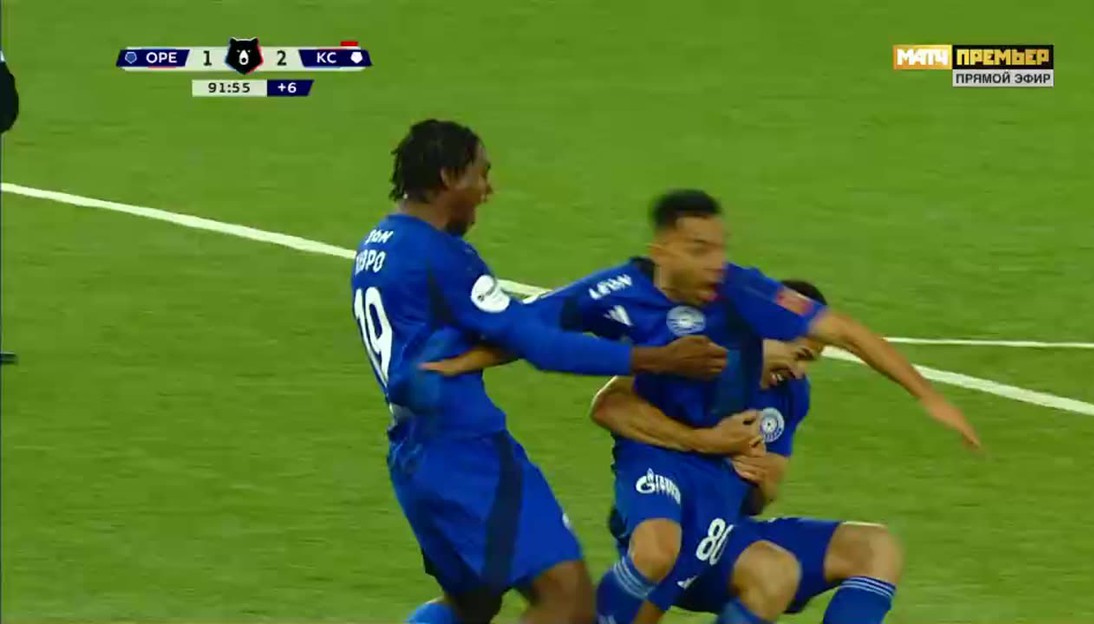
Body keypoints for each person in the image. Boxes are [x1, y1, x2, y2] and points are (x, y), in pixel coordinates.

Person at [425, 190, 979, 624]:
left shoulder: (765, 340)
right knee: (656, 551)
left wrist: (926, 397)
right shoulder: (629, 300)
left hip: (718, 493)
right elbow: (535, 332)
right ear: (664, 249)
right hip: (659, 463)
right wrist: (460, 363)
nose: (717, 263)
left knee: (829, 558)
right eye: (700, 249)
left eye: (720, 249)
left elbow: (845, 335)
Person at [352, 120, 729, 624]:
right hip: (466, 452)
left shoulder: (377, 244)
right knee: (567, 601)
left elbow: (483, 330)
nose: (488, 190)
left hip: (414, 452)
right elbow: (540, 347)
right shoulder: (440, 255)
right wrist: (656, 359)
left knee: (472, 603)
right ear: (448, 177)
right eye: (481, 174)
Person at [594, 280, 905, 624]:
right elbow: (609, 406)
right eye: (800, 355)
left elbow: (761, 498)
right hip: (673, 513)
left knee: (875, 547)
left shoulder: (790, 394)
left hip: (726, 526)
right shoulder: (697, 349)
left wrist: (759, 475)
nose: (799, 372)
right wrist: (703, 441)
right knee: (687, 558)